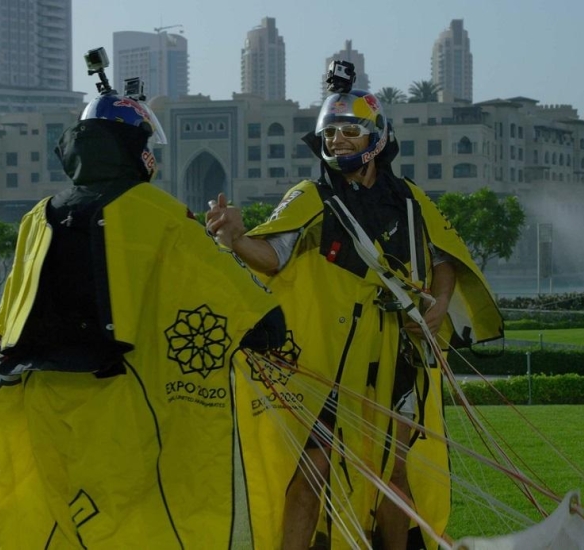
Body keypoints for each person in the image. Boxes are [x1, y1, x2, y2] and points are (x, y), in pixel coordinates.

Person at [0, 50, 284, 549]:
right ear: (131, 146)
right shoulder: (158, 212)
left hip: (41, 400)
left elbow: (7, 314)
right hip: (120, 400)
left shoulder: (40, 215)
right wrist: (268, 326)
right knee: (134, 524)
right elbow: (229, 290)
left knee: (64, 524)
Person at [208, 61, 503, 550]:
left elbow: (443, 256)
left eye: (350, 131)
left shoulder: (410, 200)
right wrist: (236, 237)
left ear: (377, 139)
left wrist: (441, 301)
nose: (338, 141)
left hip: (401, 359)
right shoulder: (310, 196)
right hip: (332, 362)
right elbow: (273, 257)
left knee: (396, 473)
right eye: (330, 133)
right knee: (313, 467)